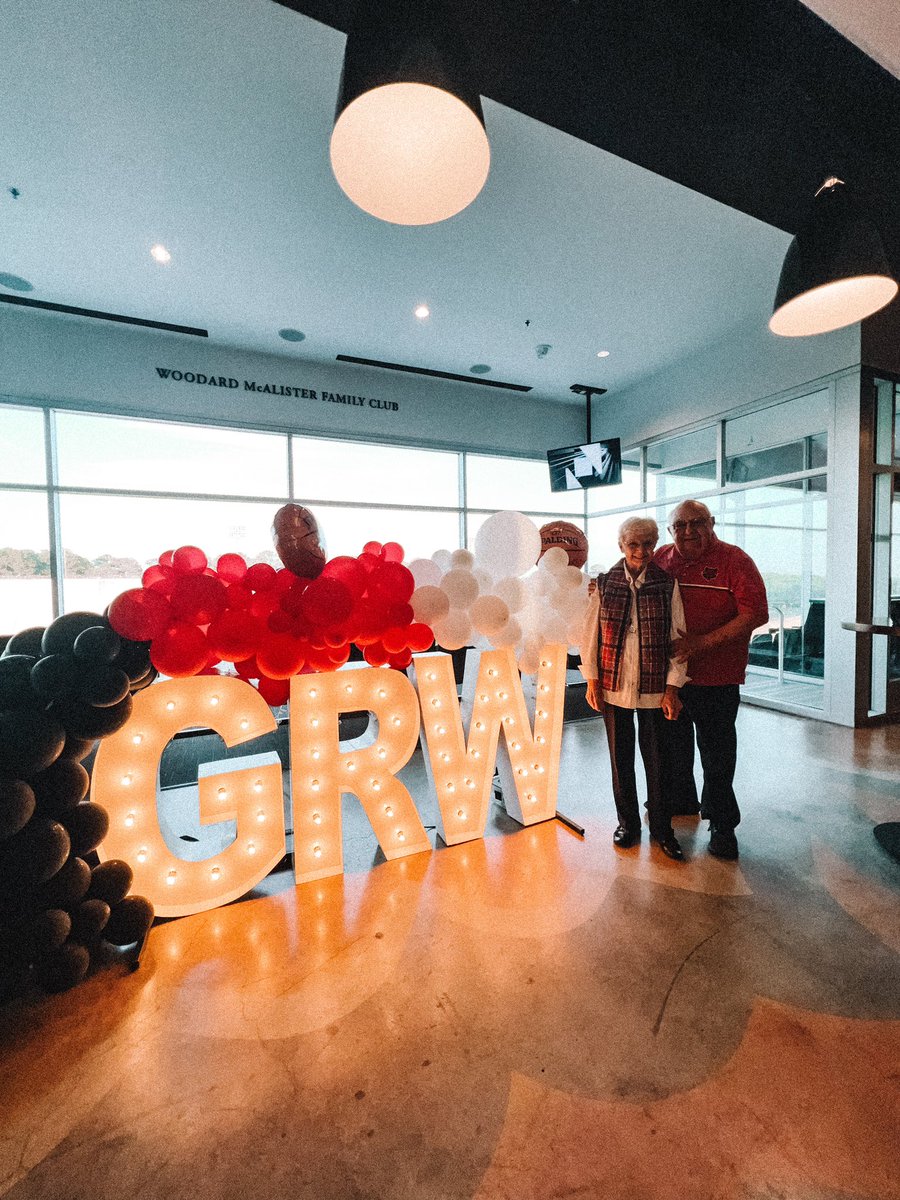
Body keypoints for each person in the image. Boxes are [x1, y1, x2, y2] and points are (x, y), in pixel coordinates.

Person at [654, 500, 768, 860]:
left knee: (717, 755)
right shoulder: (660, 558)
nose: (689, 531)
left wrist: (701, 644)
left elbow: (756, 613)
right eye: (681, 525)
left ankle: (722, 824)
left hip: (718, 678)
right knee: (672, 749)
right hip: (671, 680)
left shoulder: (735, 560)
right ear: (671, 530)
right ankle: (682, 800)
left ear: (712, 523)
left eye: (697, 523)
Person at [580, 516, 688, 860]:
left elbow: (678, 638)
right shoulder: (604, 583)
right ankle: (627, 823)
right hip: (613, 686)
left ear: (655, 545)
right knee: (619, 760)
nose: (641, 551)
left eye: (647, 544)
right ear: (621, 546)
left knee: (659, 761)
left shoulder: (667, 584)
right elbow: (590, 636)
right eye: (633, 544)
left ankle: (662, 829)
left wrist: (673, 688)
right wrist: (592, 680)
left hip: (655, 687)